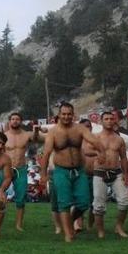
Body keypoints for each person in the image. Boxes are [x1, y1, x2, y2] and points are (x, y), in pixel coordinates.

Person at [39, 103, 101, 242]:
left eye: (69, 114)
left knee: (84, 202)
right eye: (64, 114)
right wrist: (43, 174)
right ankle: (68, 234)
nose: (66, 116)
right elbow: (46, 154)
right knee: (64, 203)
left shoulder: (79, 129)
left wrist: (101, 150)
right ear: (59, 115)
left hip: (79, 170)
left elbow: (93, 140)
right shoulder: (53, 133)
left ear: (73, 115)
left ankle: (70, 220)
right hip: (61, 171)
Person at [91, 111, 128, 238]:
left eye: (111, 119)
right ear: (101, 121)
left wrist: (126, 174)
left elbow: (124, 158)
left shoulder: (119, 139)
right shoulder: (95, 137)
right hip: (99, 172)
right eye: (106, 119)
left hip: (116, 172)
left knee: (125, 201)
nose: (109, 121)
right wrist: (96, 154)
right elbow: (86, 151)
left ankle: (119, 226)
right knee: (98, 205)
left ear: (115, 121)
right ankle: (100, 231)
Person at [4, 112, 43, 231]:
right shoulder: (4, 136)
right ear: (9, 121)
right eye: (13, 119)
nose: (15, 121)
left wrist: (36, 130)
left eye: (17, 119)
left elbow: (37, 139)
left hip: (20, 168)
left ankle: (19, 224)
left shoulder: (26, 135)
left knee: (21, 198)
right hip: (6, 168)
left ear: (21, 121)